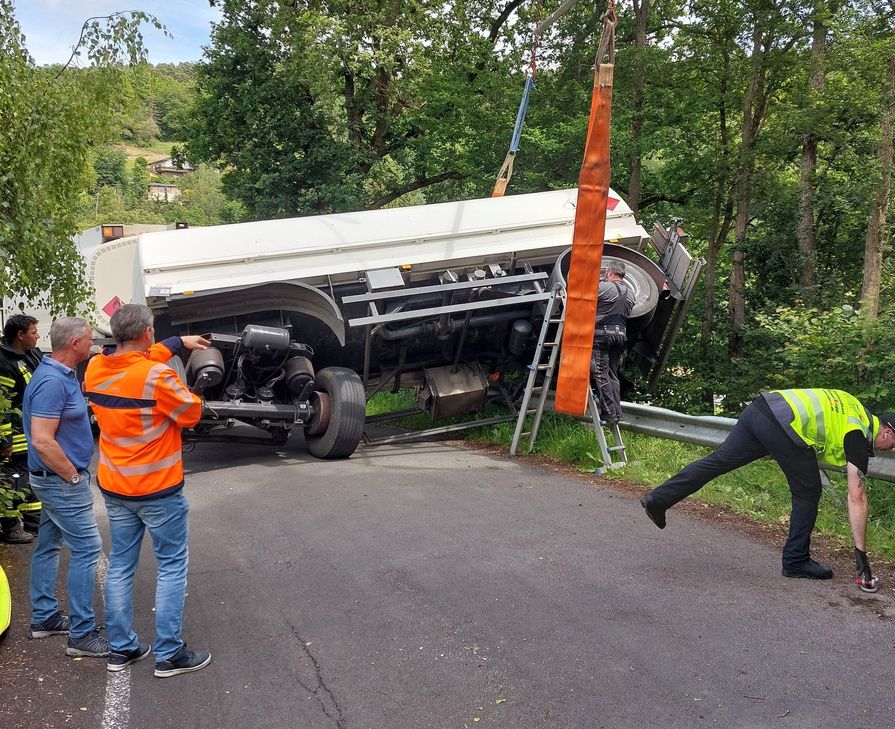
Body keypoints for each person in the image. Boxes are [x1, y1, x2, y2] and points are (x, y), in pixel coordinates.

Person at [640, 388, 895, 591]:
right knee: (808, 491)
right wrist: (862, 557)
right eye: (894, 443)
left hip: (761, 408)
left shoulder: (854, 408)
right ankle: (796, 561)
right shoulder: (858, 431)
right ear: (886, 431)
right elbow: (857, 496)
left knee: (718, 462)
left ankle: (659, 499)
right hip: (782, 423)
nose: (891, 449)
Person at [84, 304, 212, 677]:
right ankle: (169, 654)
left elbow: (134, 362)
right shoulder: (157, 377)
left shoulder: (95, 368)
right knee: (171, 567)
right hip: (159, 491)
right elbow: (191, 413)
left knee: (121, 566)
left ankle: (122, 649)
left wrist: (176, 342)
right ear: (146, 333)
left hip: (116, 487)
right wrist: (193, 388)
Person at [23, 317, 108, 656]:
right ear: (74, 344)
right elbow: (43, 441)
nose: (93, 345)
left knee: (48, 544)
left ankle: (45, 618)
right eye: (89, 340)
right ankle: (82, 635)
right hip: (60, 481)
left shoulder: (63, 375)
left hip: (54, 480)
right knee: (88, 549)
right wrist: (73, 477)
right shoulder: (51, 382)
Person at [0, 314, 43, 543]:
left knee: (29, 477)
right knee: (14, 478)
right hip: (14, 434)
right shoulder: (4, 361)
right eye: (34, 333)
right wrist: (5, 440)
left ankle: (33, 524)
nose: (37, 336)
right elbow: (3, 402)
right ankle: (10, 527)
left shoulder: (31, 355)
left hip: (31, 430)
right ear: (20, 335)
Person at [591, 260, 635, 424]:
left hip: (602, 336)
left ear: (609, 272)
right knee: (612, 374)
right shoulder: (630, 294)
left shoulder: (603, 288)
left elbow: (584, 300)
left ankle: (608, 413)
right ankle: (618, 413)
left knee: (601, 374)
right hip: (620, 336)